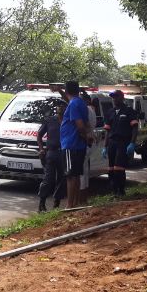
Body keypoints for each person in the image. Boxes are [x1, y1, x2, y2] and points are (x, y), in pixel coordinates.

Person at [59, 81, 93, 210]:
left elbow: (79, 125)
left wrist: (86, 136)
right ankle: (76, 204)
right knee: (76, 174)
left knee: (70, 176)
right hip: (78, 145)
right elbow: (86, 123)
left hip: (71, 144)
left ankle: (69, 205)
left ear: (67, 91)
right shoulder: (80, 103)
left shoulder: (73, 104)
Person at [102, 89, 138, 196]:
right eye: (113, 97)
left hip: (123, 143)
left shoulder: (129, 111)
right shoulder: (110, 112)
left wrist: (132, 143)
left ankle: (121, 191)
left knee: (119, 169)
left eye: (116, 97)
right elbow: (107, 131)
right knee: (111, 169)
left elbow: (135, 128)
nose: (114, 99)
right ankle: (114, 191)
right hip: (112, 142)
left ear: (122, 98)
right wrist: (105, 146)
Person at [36, 97, 66, 211]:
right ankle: (41, 204)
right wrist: (41, 149)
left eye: (62, 106)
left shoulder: (68, 120)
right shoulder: (49, 120)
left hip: (63, 153)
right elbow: (39, 135)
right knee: (48, 179)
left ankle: (56, 203)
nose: (60, 108)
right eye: (58, 106)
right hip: (51, 153)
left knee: (62, 179)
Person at [79, 92, 98, 203]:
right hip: (89, 142)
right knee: (84, 172)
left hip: (84, 142)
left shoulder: (85, 110)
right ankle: (84, 199)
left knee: (81, 173)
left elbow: (82, 127)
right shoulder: (91, 109)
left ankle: (81, 200)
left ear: (86, 101)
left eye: (80, 100)